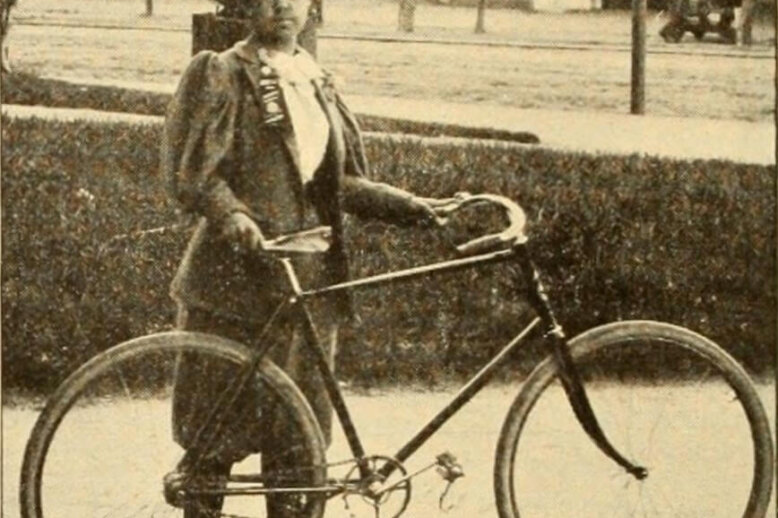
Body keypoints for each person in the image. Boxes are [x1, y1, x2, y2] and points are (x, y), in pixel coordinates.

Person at [161, 0, 453, 515]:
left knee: (297, 446)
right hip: (235, 285)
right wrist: (232, 215)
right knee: (213, 441)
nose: (282, 6)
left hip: (309, 287)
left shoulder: (317, 81)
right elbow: (193, 174)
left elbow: (341, 184)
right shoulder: (222, 72)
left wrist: (414, 207)